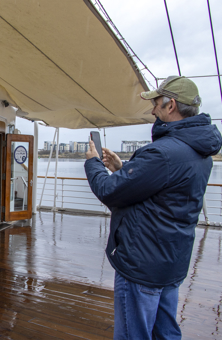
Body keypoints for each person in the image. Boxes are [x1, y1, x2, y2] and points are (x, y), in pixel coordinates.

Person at [84, 76, 222, 339]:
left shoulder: (163, 153)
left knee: (133, 334)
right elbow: (165, 192)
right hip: (171, 261)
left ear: (171, 106)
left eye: (157, 103)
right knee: (166, 332)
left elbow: (109, 191)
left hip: (143, 264)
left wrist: (93, 163)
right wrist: (123, 169)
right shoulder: (199, 152)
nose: (153, 110)